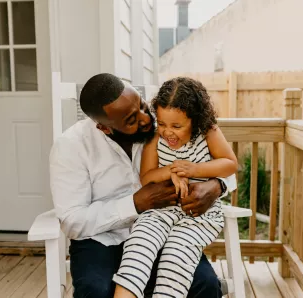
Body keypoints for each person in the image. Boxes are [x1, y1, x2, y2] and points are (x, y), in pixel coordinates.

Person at [49, 73, 236, 298]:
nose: (146, 119)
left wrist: (215, 186)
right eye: (131, 120)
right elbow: (72, 220)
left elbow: (223, 165)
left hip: (166, 233)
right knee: (95, 291)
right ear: (105, 128)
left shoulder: (167, 122)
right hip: (101, 240)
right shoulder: (71, 147)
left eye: (142, 106)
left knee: (204, 284)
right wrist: (135, 204)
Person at [113, 77, 238, 298]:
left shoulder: (208, 131)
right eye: (162, 124)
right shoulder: (154, 136)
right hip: (162, 209)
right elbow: (147, 177)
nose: (167, 132)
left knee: (176, 256)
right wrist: (171, 170)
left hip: (198, 216)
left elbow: (230, 164)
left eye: (176, 126)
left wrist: (193, 170)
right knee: (138, 244)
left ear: (195, 119)